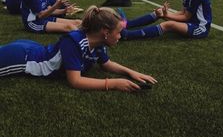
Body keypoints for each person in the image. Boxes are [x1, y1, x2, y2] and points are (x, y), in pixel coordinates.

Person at [0, 5, 157, 92]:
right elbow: (75, 81)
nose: (120, 36)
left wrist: (131, 72)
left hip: (33, 48)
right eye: (118, 33)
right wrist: (113, 83)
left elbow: (106, 63)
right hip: (24, 58)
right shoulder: (74, 41)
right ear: (105, 32)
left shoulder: (98, 43)